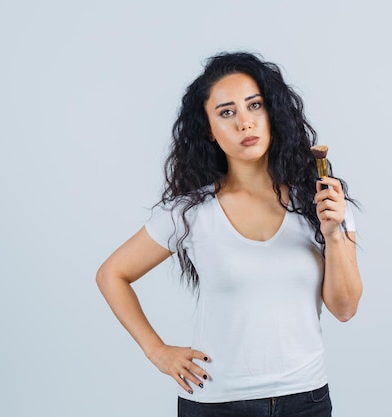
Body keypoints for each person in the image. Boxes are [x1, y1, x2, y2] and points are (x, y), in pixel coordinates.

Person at [96, 51, 362, 417]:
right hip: (217, 403)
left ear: (272, 113)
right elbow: (112, 274)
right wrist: (158, 352)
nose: (244, 123)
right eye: (226, 112)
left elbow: (345, 309)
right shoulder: (190, 211)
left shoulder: (321, 201)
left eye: (254, 106)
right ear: (208, 129)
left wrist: (334, 235)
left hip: (307, 401)